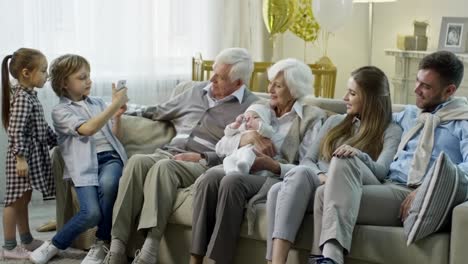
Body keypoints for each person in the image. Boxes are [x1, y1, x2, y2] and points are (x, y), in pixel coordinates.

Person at [103, 47, 259, 264]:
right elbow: (157, 110)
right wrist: (116, 109)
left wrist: (204, 157)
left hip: (202, 162)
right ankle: (117, 246)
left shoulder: (251, 107)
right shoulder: (196, 92)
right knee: (137, 162)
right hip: (169, 152)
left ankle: (149, 251)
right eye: (213, 72)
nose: (211, 79)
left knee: (164, 168)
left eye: (220, 77)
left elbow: (242, 151)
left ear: (238, 83)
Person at [310, 51, 468, 264]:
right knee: (342, 162)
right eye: (417, 81)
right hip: (386, 183)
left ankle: (329, 259)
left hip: (414, 193)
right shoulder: (409, 115)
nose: (416, 90)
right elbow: (371, 113)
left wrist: (428, 187)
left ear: (449, 90)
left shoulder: (463, 123)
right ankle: (329, 260)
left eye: (426, 87)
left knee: (323, 195)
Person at [190, 58, 327, 264]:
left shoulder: (312, 118)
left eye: (278, 85)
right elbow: (221, 146)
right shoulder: (258, 109)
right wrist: (249, 137)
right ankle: (195, 258)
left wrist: (272, 165)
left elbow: (306, 165)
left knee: (232, 182)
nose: (269, 88)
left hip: (274, 176)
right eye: (271, 82)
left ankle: (219, 260)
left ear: (294, 90)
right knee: (209, 178)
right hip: (240, 164)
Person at [265, 66, 402, 264]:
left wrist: (360, 156)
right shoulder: (335, 122)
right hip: (319, 180)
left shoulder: (391, 130)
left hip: (352, 184)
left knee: (282, 188)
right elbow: (307, 160)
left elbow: (381, 172)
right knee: (282, 186)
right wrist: (322, 177)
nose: (345, 98)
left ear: (371, 98)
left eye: (352, 93)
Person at [29, 54, 129, 264]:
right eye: (82, 77)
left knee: (109, 184)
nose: (89, 81)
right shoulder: (60, 111)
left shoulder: (98, 103)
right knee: (91, 213)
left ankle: (101, 243)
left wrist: (117, 115)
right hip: (84, 167)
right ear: (64, 83)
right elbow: (88, 129)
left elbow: (115, 137)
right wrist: (114, 106)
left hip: (110, 159)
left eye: (89, 76)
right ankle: (55, 244)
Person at [0, 48, 57, 260]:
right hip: (22, 158)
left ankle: (26, 239)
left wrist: (58, 140)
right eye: (43, 71)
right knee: (14, 202)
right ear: (26, 73)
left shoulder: (29, 96)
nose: (47, 76)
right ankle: (8, 246)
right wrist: (20, 158)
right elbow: (16, 130)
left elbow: (40, 127)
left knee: (24, 199)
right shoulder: (23, 97)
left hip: (30, 156)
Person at [218, 103, 275, 175]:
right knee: (227, 160)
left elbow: (269, 131)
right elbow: (228, 133)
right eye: (247, 118)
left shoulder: (263, 131)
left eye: (255, 117)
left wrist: (258, 124)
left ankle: (244, 167)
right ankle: (231, 172)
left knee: (247, 153)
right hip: (237, 155)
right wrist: (236, 124)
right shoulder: (242, 130)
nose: (250, 120)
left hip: (253, 153)